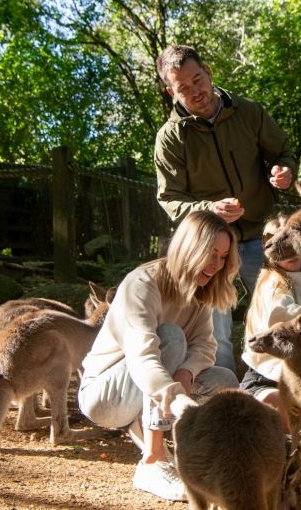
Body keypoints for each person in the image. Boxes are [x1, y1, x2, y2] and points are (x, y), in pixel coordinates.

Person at [77, 210, 241, 502]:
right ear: (190, 248)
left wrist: (186, 373)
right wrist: (171, 391)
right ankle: (153, 460)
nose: (217, 265)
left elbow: (206, 346)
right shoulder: (142, 283)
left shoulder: (200, 290)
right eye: (211, 254)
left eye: (223, 257)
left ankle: (198, 455)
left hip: (151, 388)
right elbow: (144, 353)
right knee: (171, 337)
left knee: (224, 380)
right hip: (104, 395)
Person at [154, 44, 298, 375]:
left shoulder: (249, 112)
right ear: (171, 92)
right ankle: (222, 395)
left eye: (197, 79)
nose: (195, 91)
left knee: (280, 308)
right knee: (214, 330)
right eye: (183, 88)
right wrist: (210, 210)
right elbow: (170, 199)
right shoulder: (170, 139)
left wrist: (284, 172)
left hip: (263, 236)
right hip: (211, 249)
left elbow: (283, 152)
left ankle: (286, 385)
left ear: (209, 73)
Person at [239, 216, 301, 432]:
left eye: (294, 246)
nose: (290, 253)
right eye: (281, 248)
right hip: (267, 376)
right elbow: (281, 320)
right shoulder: (272, 282)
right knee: (286, 412)